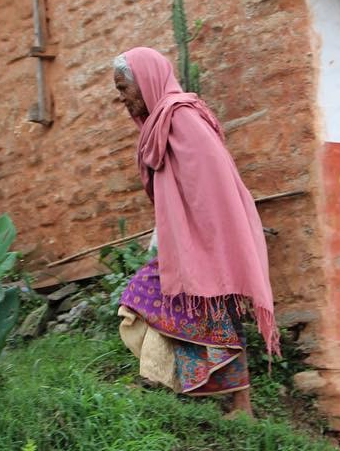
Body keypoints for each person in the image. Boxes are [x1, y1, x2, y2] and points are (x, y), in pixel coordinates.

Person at [112, 47, 279, 418]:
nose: (121, 98)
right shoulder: (161, 123)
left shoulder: (182, 119)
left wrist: (206, 242)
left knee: (152, 297)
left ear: (147, 82)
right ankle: (183, 386)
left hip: (209, 237)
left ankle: (236, 403)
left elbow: (212, 185)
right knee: (191, 309)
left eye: (124, 88)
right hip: (185, 239)